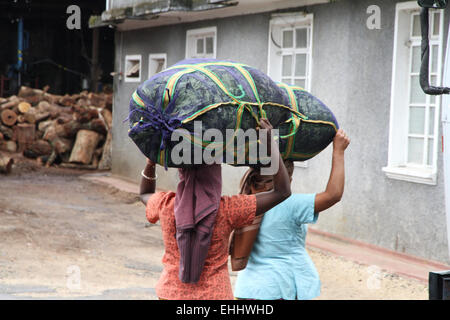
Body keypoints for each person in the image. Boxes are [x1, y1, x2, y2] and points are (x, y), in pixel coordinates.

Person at [139, 118, 292, 300]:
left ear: (182, 172)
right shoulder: (228, 209)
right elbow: (282, 192)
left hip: (170, 293)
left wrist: (150, 162)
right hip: (215, 294)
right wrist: (270, 145)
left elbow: (144, 193)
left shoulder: (166, 205)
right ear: (214, 173)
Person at [234, 129, 350, 300]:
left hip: (247, 289)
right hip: (279, 288)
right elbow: (333, 195)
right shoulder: (290, 204)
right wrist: (338, 152)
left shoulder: (243, 202)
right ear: (287, 180)